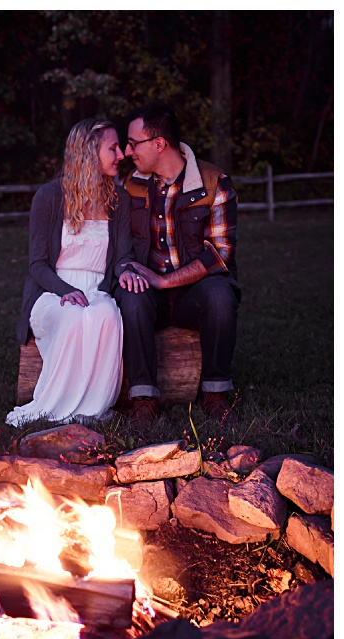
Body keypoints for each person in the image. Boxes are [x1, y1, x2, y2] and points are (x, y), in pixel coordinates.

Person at [114, 102, 239, 421]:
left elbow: (220, 253)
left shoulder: (213, 182)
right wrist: (129, 269)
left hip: (194, 293)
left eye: (133, 143)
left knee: (221, 295)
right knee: (130, 296)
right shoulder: (133, 184)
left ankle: (215, 393)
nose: (128, 152)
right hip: (150, 294)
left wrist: (166, 281)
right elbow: (120, 245)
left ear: (159, 144)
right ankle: (143, 399)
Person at [7, 118, 132, 427]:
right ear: (89, 152)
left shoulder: (119, 199)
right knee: (75, 317)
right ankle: (54, 407)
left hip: (98, 289)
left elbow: (123, 255)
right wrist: (65, 291)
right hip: (53, 290)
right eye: (112, 149)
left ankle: (92, 409)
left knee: (107, 317)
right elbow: (37, 264)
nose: (121, 155)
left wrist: (129, 270)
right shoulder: (49, 198)